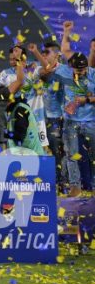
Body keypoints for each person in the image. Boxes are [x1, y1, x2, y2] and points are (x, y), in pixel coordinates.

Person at [43, 51, 95, 197]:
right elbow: (49, 78)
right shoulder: (63, 72)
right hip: (70, 122)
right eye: (77, 70)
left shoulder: (94, 75)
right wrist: (62, 105)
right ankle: (75, 187)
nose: (80, 73)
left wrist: (86, 100)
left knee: (93, 155)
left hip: (91, 121)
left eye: (82, 70)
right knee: (71, 154)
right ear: (70, 67)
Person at [41, 41, 66, 186]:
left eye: (47, 53)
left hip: (57, 118)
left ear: (56, 55)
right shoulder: (39, 70)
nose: (43, 55)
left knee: (58, 149)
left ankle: (61, 182)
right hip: (41, 118)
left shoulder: (64, 71)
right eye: (42, 53)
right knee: (47, 150)